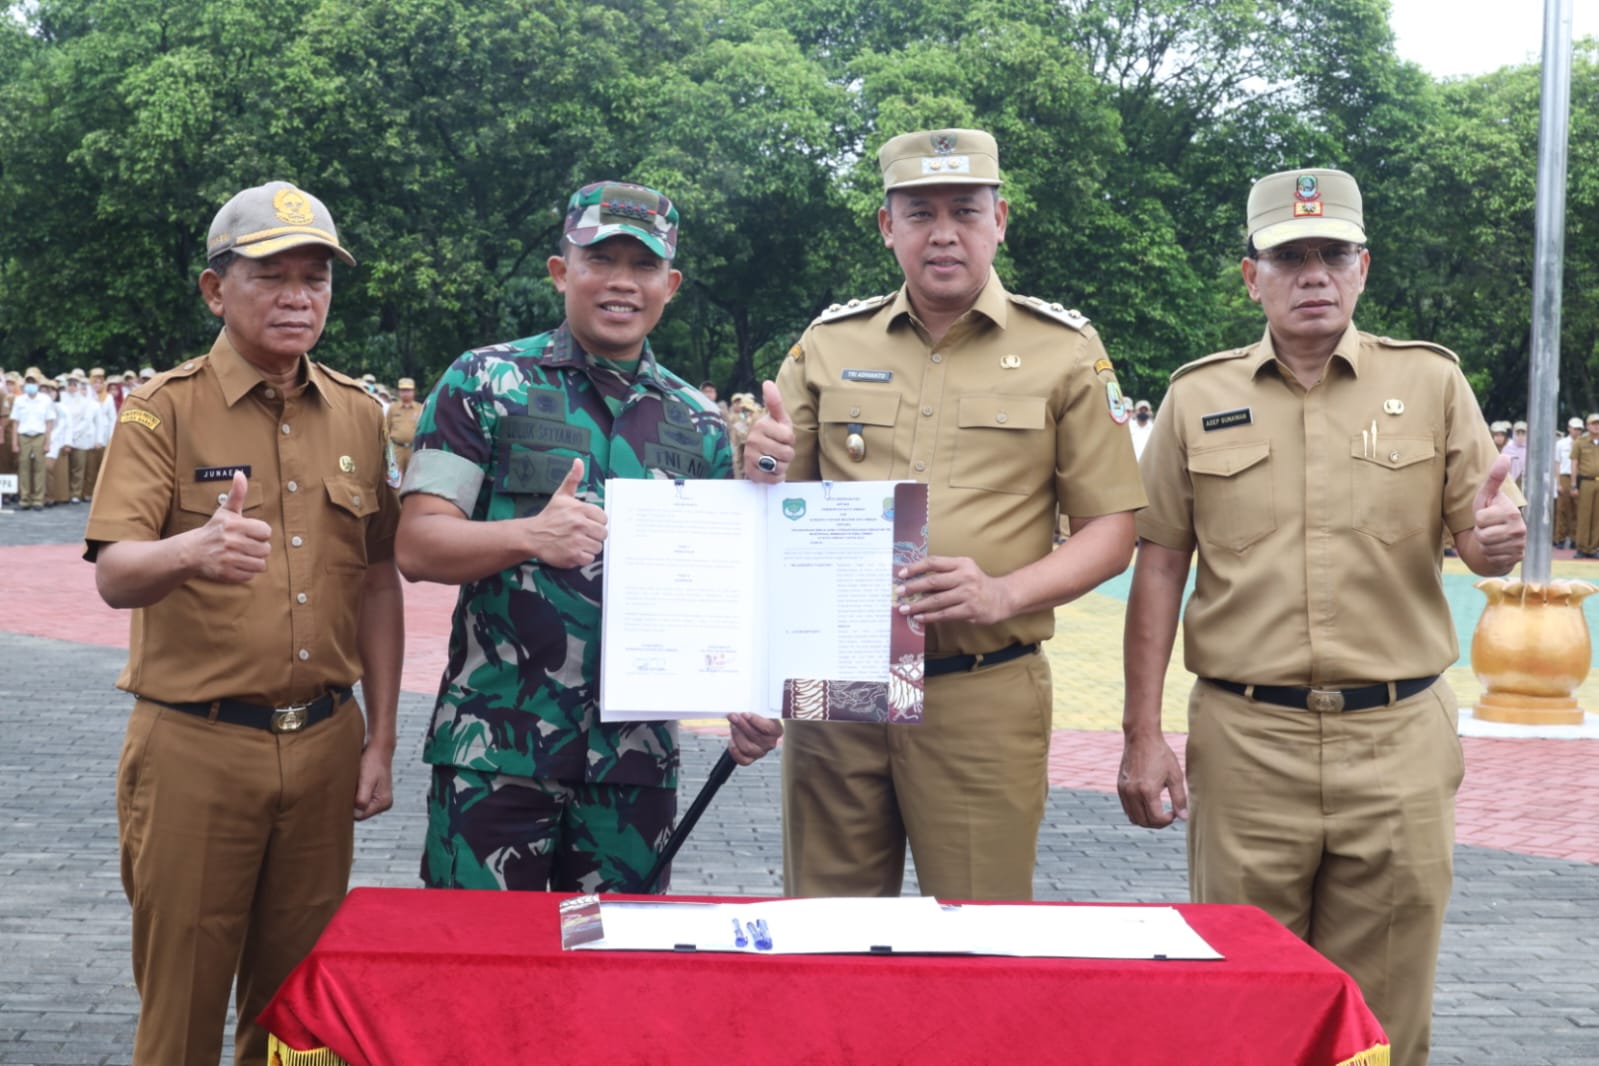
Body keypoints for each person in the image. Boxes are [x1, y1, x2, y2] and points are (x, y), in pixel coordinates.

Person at [1117, 167, 1525, 1066]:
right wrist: (1140, 734)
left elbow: (1480, 536)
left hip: (1397, 744)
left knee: (1382, 1018)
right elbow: (1158, 568)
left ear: (1363, 266)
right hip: (1246, 743)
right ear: (1248, 276)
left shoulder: (1431, 384)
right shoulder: (1194, 398)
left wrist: (1498, 541)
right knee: (1243, 1007)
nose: (1313, 275)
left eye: (1332, 254)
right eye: (1288, 256)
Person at [743, 127, 1145, 901]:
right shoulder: (827, 344)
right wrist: (759, 468)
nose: (943, 233)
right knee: (826, 938)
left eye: (965, 210)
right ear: (886, 226)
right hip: (839, 682)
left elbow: (1111, 531)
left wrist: (1003, 593)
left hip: (979, 684)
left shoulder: (1062, 350)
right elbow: (772, 508)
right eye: (919, 212)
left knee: (977, 944)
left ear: (1001, 221)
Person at [83, 180, 403, 1066]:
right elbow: (115, 572)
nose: (299, 296)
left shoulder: (360, 415)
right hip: (196, 747)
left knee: (297, 1018)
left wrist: (379, 741)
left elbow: (379, 579)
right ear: (215, 290)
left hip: (324, 746)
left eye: (316, 278)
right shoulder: (162, 410)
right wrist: (193, 550)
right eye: (272, 276)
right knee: (181, 1009)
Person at [395, 181, 781, 894]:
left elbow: (715, 594)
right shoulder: (483, 383)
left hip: (632, 771)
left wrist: (747, 697)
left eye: (642, 266)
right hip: (495, 753)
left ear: (670, 284)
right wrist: (528, 535)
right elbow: (418, 546)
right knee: (478, 977)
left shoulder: (697, 424)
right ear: (559, 270)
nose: (621, 283)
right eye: (601, 259)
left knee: (615, 988)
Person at [9, 367, 54, 509]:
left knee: (40, 468)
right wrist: (14, 443)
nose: (30, 384)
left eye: (33, 382)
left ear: (38, 384)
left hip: (39, 436)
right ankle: (25, 498)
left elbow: (49, 423)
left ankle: (38, 499)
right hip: (24, 436)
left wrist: (48, 442)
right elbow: (15, 422)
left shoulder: (45, 400)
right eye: (28, 381)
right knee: (24, 467)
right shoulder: (19, 400)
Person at [384, 376, 422, 477]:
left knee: (413, 477)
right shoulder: (393, 408)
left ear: (413, 392)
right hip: (397, 449)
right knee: (395, 477)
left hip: (413, 449)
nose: (406, 393)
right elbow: (387, 428)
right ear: (399, 392)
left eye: (408, 390)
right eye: (403, 390)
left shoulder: (419, 408)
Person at [1574, 413, 1599, 558]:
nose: (1597, 426)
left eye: (1598, 423)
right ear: (1587, 426)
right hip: (1586, 481)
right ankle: (1582, 547)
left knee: (1598, 517)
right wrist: (1573, 485)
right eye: (1593, 423)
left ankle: (1594, 548)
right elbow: (1574, 463)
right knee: (1584, 515)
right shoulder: (1581, 442)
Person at [1555, 415, 1582, 548]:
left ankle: (1575, 538)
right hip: (1564, 476)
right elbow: (1557, 463)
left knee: (1577, 509)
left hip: (1579, 477)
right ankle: (1560, 537)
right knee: (1563, 508)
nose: (1576, 431)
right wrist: (1558, 483)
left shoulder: (1584, 443)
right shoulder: (1561, 443)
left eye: (1579, 429)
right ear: (1569, 429)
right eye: (1574, 428)